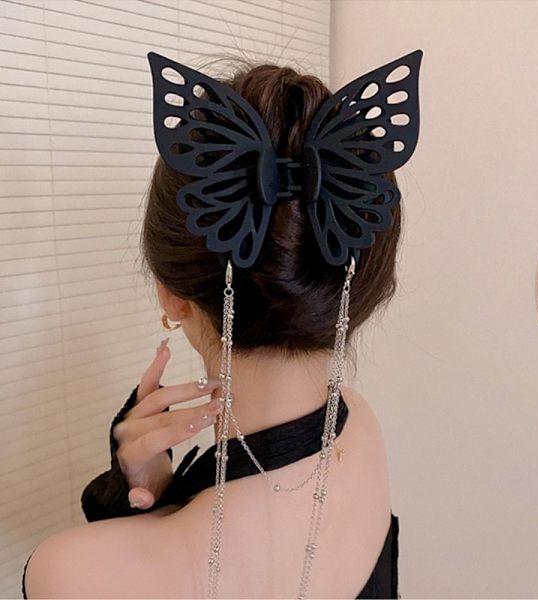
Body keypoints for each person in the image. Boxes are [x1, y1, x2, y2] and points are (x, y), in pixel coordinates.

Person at [21, 48, 421, 598]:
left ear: (170, 293)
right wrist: (160, 495)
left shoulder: (68, 572)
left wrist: (132, 503)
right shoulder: (360, 429)